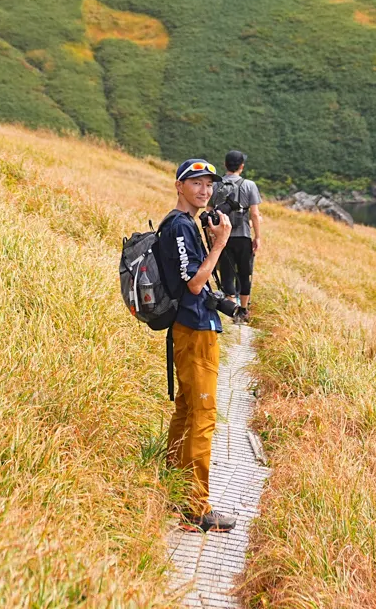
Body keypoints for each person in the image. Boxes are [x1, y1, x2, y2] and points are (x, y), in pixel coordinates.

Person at [154, 157, 237, 533]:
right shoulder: (179, 226)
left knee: (187, 411)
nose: (204, 190)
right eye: (196, 183)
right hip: (194, 327)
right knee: (203, 417)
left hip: (188, 328)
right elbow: (193, 283)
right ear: (179, 186)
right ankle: (195, 508)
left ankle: (173, 488)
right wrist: (219, 244)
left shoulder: (183, 224)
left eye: (208, 185)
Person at [214, 150, 263, 317]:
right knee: (244, 273)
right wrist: (257, 237)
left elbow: (209, 211)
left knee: (227, 273)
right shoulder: (249, 185)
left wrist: (211, 236)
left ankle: (231, 310)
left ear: (225, 164)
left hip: (223, 237)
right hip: (243, 237)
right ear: (241, 166)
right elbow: (255, 214)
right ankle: (243, 310)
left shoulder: (216, 185)